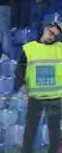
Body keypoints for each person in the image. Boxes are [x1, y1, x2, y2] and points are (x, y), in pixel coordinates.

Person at [15, 21, 62, 153]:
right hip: (35, 96)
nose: (52, 37)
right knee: (30, 129)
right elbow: (20, 70)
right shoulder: (28, 48)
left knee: (55, 132)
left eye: (55, 35)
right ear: (45, 29)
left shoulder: (60, 48)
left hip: (55, 96)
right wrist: (22, 84)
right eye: (51, 32)